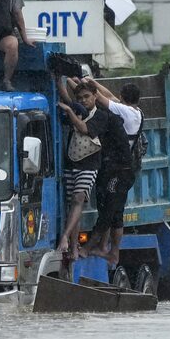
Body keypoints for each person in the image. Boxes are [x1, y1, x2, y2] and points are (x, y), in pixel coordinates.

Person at [72, 78, 141, 265]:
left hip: (120, 169)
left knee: (108, 212)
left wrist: (76, 84)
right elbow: (105, 95)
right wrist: (87, 81)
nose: (83, 100)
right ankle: (109, 251)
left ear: (122, 97)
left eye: (87, 96)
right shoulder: (133, 111)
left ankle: (89, 248)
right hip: (119, 168)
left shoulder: (121, 112)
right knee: (116, 214)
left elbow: (101, 98)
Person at [56, 80, 108, 260]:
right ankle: (74, 248)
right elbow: (66, 98)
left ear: (95, 96)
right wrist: (59, 81)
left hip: (90, 164)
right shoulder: (77, 109)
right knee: (73, 205)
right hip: (72, 162)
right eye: (80, 98)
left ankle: (65, 237)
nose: (84, 100)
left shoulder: (101, 116)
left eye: (87, 97)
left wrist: (70, 111)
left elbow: (84, 128)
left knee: (79, 198)